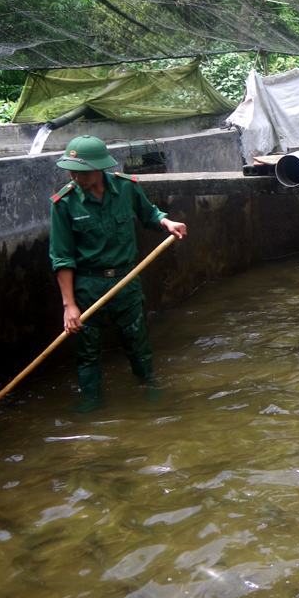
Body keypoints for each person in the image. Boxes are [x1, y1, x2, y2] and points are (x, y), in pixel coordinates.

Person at [49, 135, 187, 411]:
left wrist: (167, 221)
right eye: (72, 170)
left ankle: (150, 390)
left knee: (137, 339)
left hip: (126, 280)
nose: (77, 177)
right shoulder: (63, 203)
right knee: (87, 348)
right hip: (88, 284)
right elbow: (62, 258)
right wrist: (69, 305)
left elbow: (149, 215)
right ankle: (92, 400)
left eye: (83, 171)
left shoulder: (126, 188)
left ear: (101, 168)